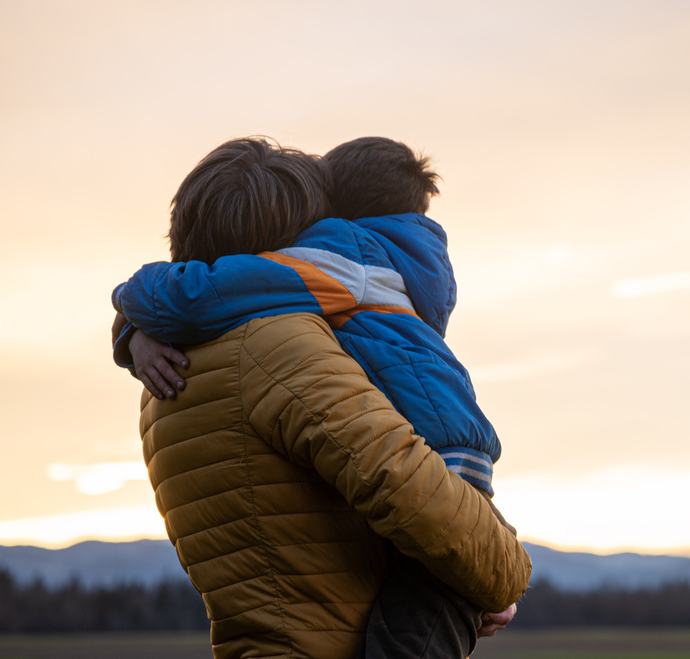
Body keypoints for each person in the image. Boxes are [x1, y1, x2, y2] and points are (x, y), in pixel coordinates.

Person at [111, 137, 530, 659]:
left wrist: (130, 325)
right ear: (281, 244)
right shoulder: (276, 345)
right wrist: (499, 574)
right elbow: (400, 480)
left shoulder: (165, 373)